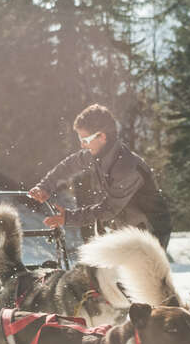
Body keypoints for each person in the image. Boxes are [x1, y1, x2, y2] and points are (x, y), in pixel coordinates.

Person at [28, 103, 172, 249]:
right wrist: (45, 186)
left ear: (101, 136)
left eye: (85, 140)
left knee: (136, 271)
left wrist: (69, 218)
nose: (83, 146)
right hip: (125, 227)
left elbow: (108, 209)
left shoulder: (126, 168)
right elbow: (69, 165)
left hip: (149, 233)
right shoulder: (96, 154)